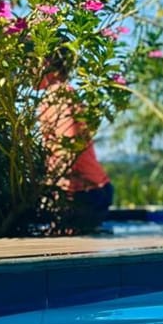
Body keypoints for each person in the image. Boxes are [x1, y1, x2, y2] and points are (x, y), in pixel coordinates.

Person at [36, 49, 114, 231]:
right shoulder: (62, 94)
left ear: (45, 64)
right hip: (90, 189)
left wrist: (61, 193)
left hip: (82, 191)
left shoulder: (58, 96)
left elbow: (68, 145)